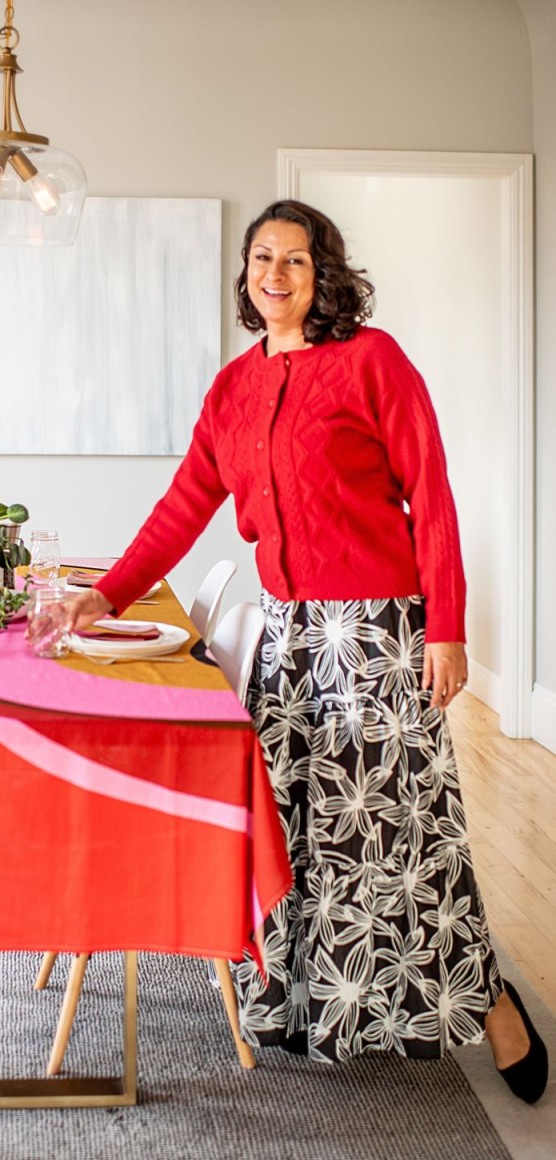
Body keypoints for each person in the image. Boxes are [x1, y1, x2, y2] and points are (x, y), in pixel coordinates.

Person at [66, 199, 548, 1103]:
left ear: (323, 273)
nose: (275, 274)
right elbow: (182, 507)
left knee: (404, 833)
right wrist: (106, 594)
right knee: (305, 830)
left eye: (295, 259)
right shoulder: (233, 388)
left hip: (378, 630)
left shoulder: (373, 361)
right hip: (291, 637)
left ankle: (492, 1006)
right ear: (246, 276)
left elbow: (432, 496)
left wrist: (448, 626)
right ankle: (321, 1004)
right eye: (261, 258)